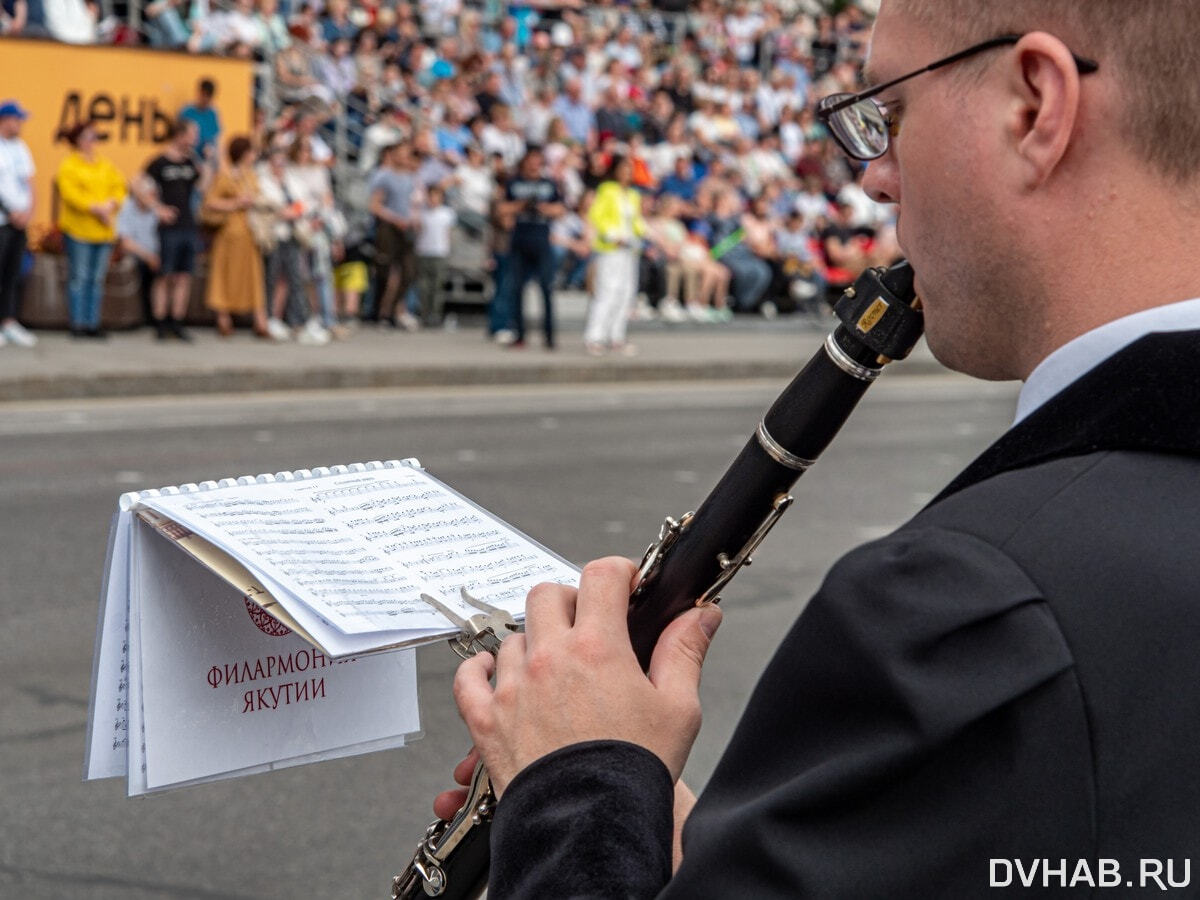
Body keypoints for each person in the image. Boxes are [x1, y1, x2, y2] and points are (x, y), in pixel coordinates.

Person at [438, 1, 1200, 896]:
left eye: (889, 116)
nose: (874, 179)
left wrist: (580, 799)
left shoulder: (962, 606)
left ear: (1034, 106)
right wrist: (739, 857)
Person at [55, 120, 127, 338]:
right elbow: (70, 194)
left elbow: (119, 187)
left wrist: (111, 205)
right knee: (79, 278)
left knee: (96, 280)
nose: (92, 141)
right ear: (78, 140)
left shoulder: (103, 164)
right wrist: (96, 208)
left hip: (102, 232)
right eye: (88, 136)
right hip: (79, 231)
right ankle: (77, 323)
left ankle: (92, 322)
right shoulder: (70, 165)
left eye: (94, 137)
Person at [493, 146, 563, 350]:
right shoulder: (514, 183)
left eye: (537, 160)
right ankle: (519, 334)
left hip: (541, 241)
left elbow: (560, 209)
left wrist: (543, 208)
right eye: (531, 159)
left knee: (546, 289)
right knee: (517, 290)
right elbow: (501, 209)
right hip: (520, 240)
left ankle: (549, 336)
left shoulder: (549, 184)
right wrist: (521, 205)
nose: (534, 164)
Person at [144, 118, 207, 341]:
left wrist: (207, 163)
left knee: (183, 276)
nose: (195, 139)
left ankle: (177, 321)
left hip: (188, 224)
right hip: (168, 227)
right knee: (165, 275)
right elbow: (139, 186)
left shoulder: (191, 162)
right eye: (192, 134)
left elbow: (203, 186)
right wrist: (157, 208)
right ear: (180, 135)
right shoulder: (160, 162)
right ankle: (160, 321)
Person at [201, 135, 268, 338]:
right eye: (251, 153)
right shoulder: (225, 176)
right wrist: (236, 203)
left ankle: (260, 321)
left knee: (253, 277)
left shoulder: (251, 176)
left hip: (249, 233)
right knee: (224, 275)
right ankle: (223, 318)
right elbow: (210, 202)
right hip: (229, 232)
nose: (254, 156)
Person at [582, 155, 646, 355]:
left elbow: (636, 221)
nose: (627, 173)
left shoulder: (633, 195)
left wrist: (647, 235)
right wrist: (612, 235)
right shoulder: (607, 190)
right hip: (611, 248)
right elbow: (596, 216)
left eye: (629, 169)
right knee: (607, 291)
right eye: (624, 168)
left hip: (629, 249)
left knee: (626, 293)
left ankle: (616, 335)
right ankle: (595, 336)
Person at [0, 99, 37, 348]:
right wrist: (10, 211)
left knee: (13, 274)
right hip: (3, 221)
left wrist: (27, 213)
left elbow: (31, 183)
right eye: (17, 119)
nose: (20, 124)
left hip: (19, 223)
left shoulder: (21, 147)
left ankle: (8, 321)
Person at [413, 184, 455, 327]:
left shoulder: (447, 214)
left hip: (440, 253)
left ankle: (435, 315)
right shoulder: (422, 213)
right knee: (424, 286)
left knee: (437, 286)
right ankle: (424, 314)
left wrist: (448, 250)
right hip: (424, 252)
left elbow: (449, 234)